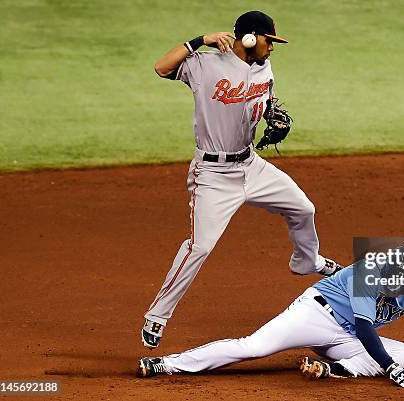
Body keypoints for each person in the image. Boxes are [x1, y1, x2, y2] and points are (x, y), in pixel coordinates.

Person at [140, 11, 344, 349]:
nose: (272, 48)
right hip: (213, 175)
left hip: (252, 166)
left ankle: (308, 261)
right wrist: (199, 41)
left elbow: (265, 100)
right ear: (249, 38)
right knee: (199, 247)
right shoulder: (205, 65)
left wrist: (272, 115)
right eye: (269, 41)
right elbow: (162, 67)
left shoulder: (264, 68)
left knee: (303, 209)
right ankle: (157, 316)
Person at [137, 246, 404, 388]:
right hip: (315, 314)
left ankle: (333, 370)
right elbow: (368, 328)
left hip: (347, 338)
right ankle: (167, 364)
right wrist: (388, 368)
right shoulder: (369, 273)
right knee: (254, 347)